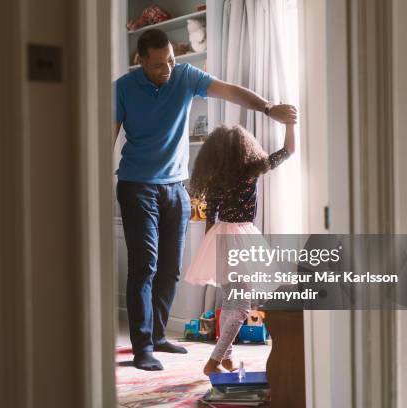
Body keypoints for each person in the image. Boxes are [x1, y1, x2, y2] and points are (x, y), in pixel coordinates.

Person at [114, 28, 297, 371]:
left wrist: (269, 108)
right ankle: (142, 348)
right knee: (145, 266)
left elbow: (229, 92)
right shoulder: (123, 88)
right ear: (141, 62)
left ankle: (157, 335)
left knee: (170, 268)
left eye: (170, 60)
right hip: (137, 185)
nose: (167, 69)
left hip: (175, 187)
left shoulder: (184, 76)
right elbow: (106, 137)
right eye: (158, 65)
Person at [184, 123, 296, 375]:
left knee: (229, 302)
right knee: (242, 306)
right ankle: (213, 362)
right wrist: (290, 124)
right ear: (246, 147)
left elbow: (210, 218)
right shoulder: (252, 169)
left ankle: (226, 357)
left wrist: (209, 249)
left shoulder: (214, 178)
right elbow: (288, 150)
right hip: (240, 237)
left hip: (220, 237)